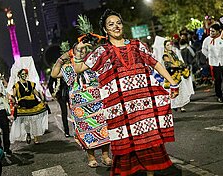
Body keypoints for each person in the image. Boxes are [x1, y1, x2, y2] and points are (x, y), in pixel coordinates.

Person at [67, 9, 179, 176]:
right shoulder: (102, 51)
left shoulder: (137, 45)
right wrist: (78, 50)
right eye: (111, 24)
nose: (116, 26)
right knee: (129, 146)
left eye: (118, 23)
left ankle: (150, 173)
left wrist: (173, 83)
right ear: (105, 30)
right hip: (122, 111)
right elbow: (78, 68)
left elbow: (155, 63)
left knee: (148, 141)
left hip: (143, 106)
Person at [51, 42, 111, 168]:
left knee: (104, 128)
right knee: (85, 130)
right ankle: (91, 157)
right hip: (80, 106)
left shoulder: (93, 63)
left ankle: (105, 156)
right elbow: (54, 74)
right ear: (73, 52)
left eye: (84, 49)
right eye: (79, 49)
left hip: (98, 102)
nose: (82, 51)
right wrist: (62, 58)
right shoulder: (69, 67)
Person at [9, 68, 48, 145]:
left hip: (33, 103)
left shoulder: (31, 84)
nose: (24, 75)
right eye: (22, 74)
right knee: (26, 122)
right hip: (23, 105)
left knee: (34, 121)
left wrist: (43, 100)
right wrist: (14, 103)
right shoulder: (16, 85)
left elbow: (36, 93)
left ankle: (36, 138)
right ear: (19, 75)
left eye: (25, 74)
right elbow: (13, 96)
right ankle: (28, 134)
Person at [202, 24, 223, 102]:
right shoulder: (207, 40)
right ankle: (219, 95)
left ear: (218, 31)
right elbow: (204, 50)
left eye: (213, 31)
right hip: (214, 63)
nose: (211, 33)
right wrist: (209, 56)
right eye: (210, 31)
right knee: (217, 80)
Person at [162, 40, 194, 112]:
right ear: (165, 47)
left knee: (181, 90)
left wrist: (181, 65)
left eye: (170, 44)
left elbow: (179, 61)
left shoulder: (174, 53)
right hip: (172, 75)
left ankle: (182, 106)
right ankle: (175, 105)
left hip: (178, 74)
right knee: (174, 91)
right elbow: (169, 65)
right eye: (167, 45)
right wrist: (179, 65)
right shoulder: (165, 55)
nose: (169, 46)